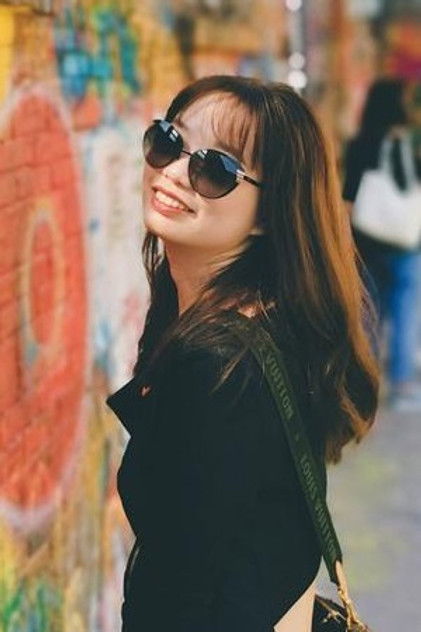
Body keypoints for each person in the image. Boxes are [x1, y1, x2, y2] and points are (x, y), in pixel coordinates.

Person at [106, 75, 379, 632]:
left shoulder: (220, 366)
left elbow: (179, 595)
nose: (173, 172)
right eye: (168, 141)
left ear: (270, 214)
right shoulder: (268, 320)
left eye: (216, 169)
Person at [343, 78, 421, 411]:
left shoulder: (360, 143)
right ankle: (401, 384)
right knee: (406, 312)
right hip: (405, 243)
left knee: (370, 313)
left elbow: (348, 197)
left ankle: (367, 382)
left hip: (368, 242)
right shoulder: (408, 142)